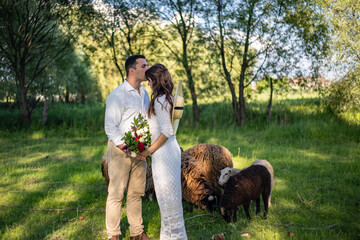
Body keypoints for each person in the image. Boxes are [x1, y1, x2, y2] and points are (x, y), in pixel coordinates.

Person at [104, 54, 151, 240]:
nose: (147, 68)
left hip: (140, 151)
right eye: (144, 66)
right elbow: (110, 127)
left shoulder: (145, 93)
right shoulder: (117, 95)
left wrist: (144, 148)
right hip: (120, 151)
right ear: (132, 70)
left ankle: (137, 232)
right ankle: (113, 234)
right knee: (116, 194)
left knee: (136, 193)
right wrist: (128, 149)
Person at [140, 64, 188, 240]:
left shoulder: (160, 101)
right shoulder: (169, 99)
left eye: (148, 81)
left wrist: (148, 151)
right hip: (168, 152)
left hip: (163, 154)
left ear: (153, 81)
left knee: (168, 201)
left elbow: (167, 131)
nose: (148, 84)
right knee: (170, 201)